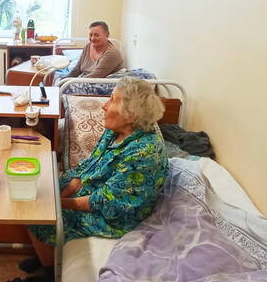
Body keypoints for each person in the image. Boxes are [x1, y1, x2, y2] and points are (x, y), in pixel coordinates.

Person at [10, 77, 168, 282]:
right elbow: (91, 162)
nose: (104, 106)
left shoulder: (144, 153)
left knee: (41, 214)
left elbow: (108, 202)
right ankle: (46, 258)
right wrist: (73, 184)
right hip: (94, 187)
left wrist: (60, 203)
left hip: (114, 215)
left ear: (132, 115)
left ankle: (49, 272)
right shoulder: (115, 131)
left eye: (112, 100)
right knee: (38, 190)